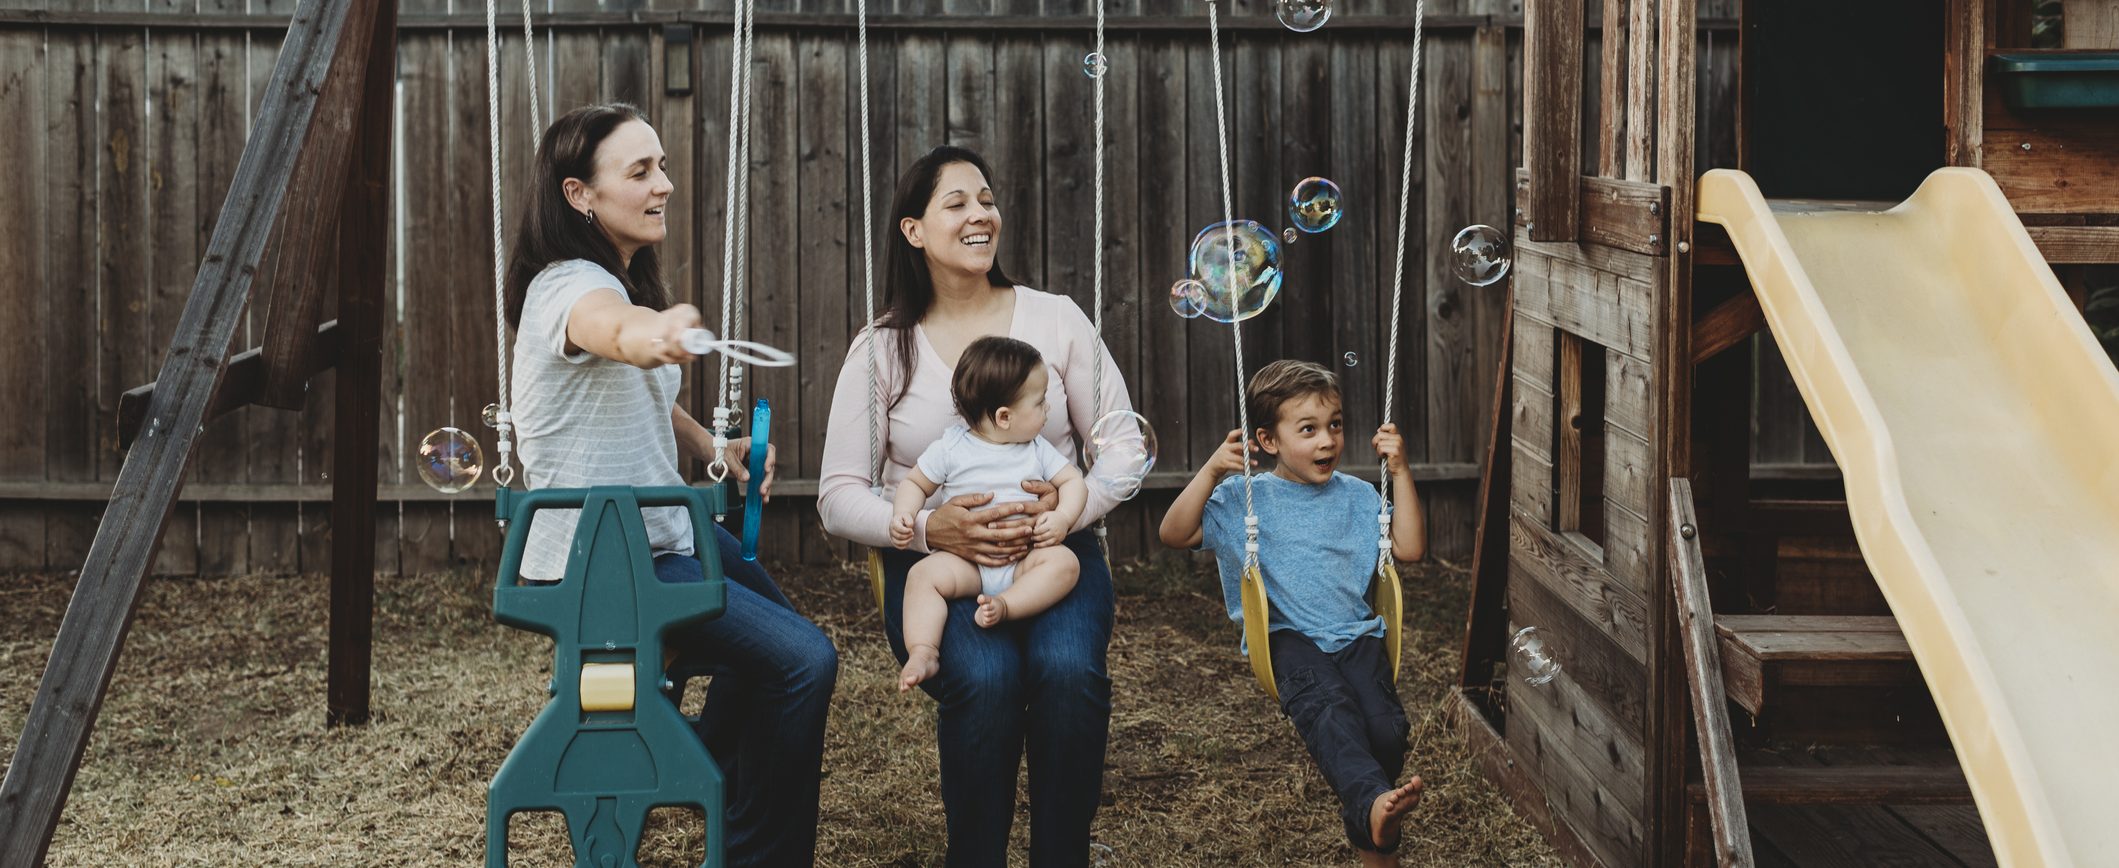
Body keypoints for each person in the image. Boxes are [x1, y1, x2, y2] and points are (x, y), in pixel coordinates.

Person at [503, 102, 837, 867]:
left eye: (662, 166)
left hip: (656, 534)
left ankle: (682, 769)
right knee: (801, 662)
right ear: (579, 195)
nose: (666, 184)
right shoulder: (568, 288)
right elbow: (615, 336)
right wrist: (654, 334)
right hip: (607, 565)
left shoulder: (614, 278)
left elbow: (630, 387)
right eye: (641, 171)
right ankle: (734, 828)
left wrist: (705, 442)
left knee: (781, 653)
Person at [818, 144, 1131, 866]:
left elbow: (1120, 448)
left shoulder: (1055, 320)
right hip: (939, 569)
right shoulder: (883, 350)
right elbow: (837, 496)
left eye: (985, 199)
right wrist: (932, 529)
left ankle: (1061, 855)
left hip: (1055, 552)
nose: (980, 214)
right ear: (913, 231)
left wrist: (1064, 515)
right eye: (956, 202)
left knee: (1066, 674)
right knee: (986, 681)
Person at [1157, 359, 1428, 866]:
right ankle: (1375, 812)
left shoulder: (1360, 496)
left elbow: (1409, 549)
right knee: (1332, 712)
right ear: (1267, 440)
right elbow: (1174, 534)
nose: (1327, 440)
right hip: (1288, 640)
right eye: (1308, 429)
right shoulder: (1243, 498)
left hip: (1357, 634)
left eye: (1336, 425)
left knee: (1386, 732)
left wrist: (1402, 471)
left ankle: (1374, 818)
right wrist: (1214, 468)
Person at [892, 336, 1089, 691]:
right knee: (921, 576)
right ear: (1004, 416)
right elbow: (914, 484)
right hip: (965, 563)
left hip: (1025, 560)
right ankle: (923, 649)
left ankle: (1006, 605)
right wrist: (905, 515)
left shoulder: (1036, 449)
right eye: (1040, 401)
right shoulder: (951, 447)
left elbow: (1073, 482)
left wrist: (1061, 518)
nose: (1047, 409)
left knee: (1065, 564)